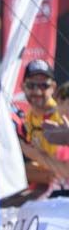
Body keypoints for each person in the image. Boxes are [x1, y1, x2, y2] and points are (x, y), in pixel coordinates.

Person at [15, 60, 69, 196]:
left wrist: (35, 156)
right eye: (31, 85)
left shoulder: (64, 114)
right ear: (23, 87)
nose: (37, 91)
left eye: (44, 85)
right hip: (48, 192)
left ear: (53, 87)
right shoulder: (29, 117)